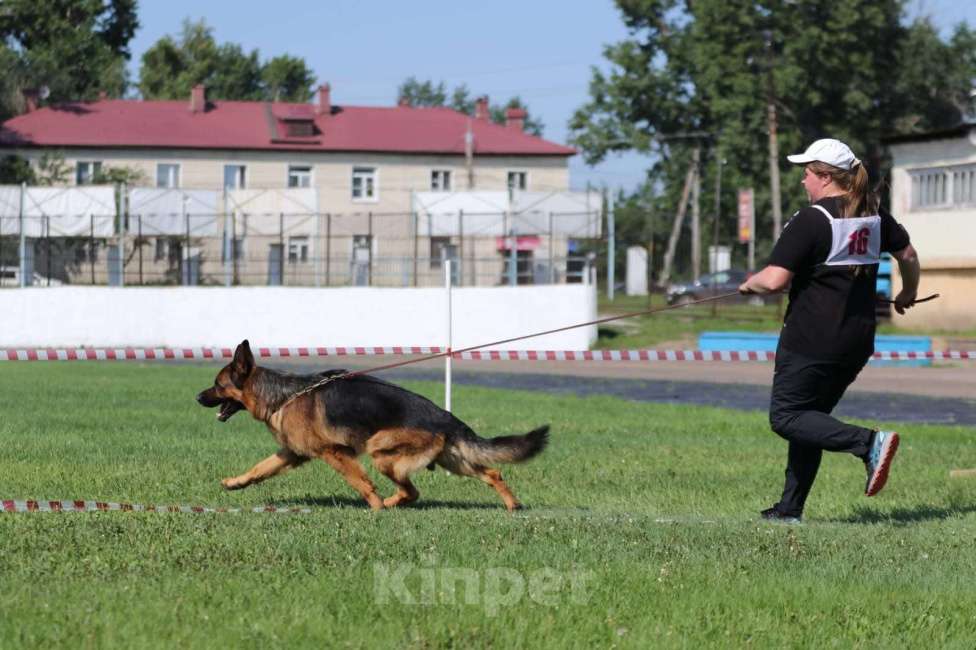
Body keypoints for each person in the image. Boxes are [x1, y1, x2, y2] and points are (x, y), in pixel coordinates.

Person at [738, 138, 921, 523]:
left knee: (787, 417)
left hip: (812, 339)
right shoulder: (871, 214)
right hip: (856, 340)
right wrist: (908, 292)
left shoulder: (812, 219)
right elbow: (907, 254)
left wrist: (749, 282)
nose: (803, 182)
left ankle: (869, 443)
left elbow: (774, 281)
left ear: (824, 176)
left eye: (806, 174)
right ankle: (789, 509)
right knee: (811, 418)